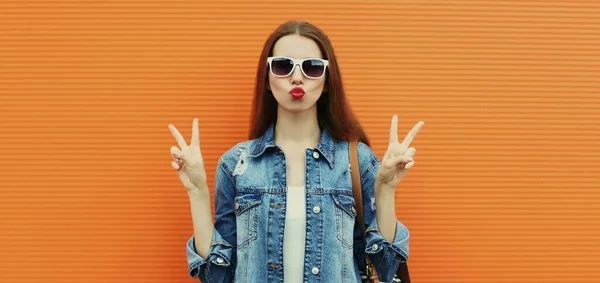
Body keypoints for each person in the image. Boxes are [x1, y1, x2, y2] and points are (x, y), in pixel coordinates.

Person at [168, 20, 424, 283]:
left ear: (326, 81)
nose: (297, 77)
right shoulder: (236, 164)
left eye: (312, 67)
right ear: (267, 78)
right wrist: (197, 192)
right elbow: (217, 276)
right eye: (282, 65)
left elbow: (385, 267)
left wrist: (386, 191)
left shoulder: (358, 161)